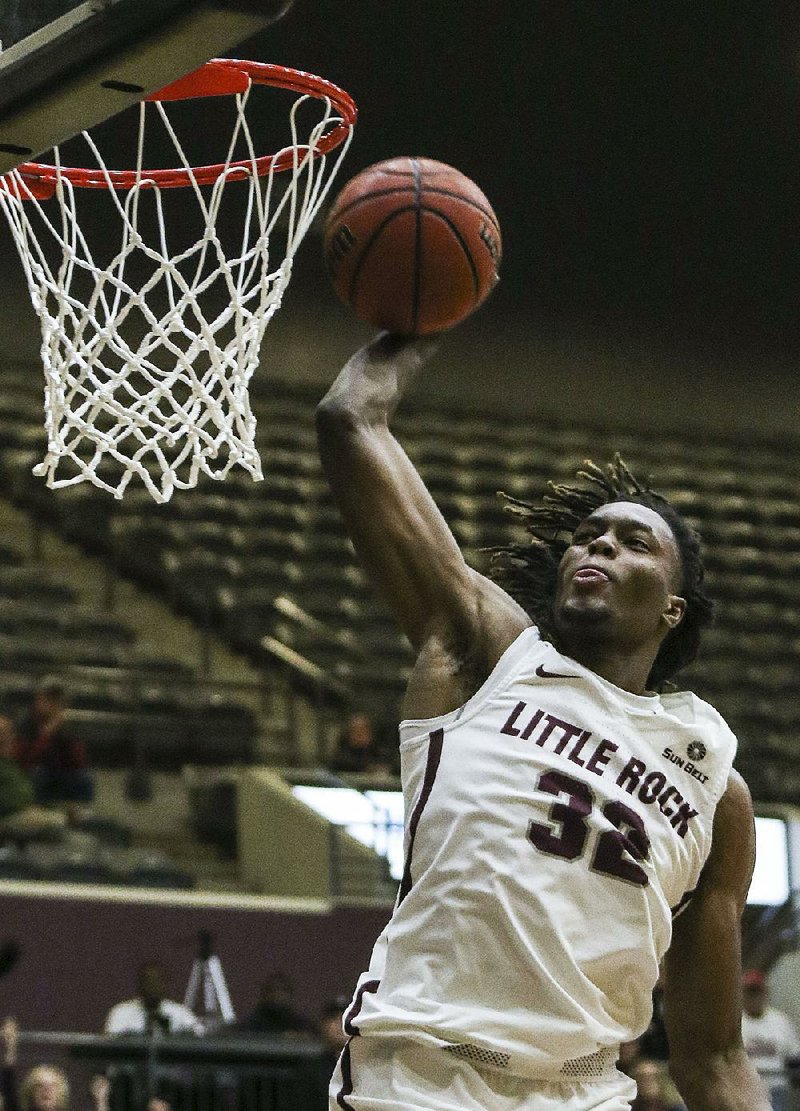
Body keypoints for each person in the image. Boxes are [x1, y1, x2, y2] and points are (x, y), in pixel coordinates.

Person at [315, 333, 769, 1110]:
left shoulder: (714, 790)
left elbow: (714, 1053)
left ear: (672, 606)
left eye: (634, 542)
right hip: (421, 1076)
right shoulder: (486, 654)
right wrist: (419, 327)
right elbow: (349, 423)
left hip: (583, 1092)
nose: (598, 542)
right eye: (590, 534)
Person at [14, 680, 94, 813]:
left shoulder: (65, 724)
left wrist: (69, 736)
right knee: (37, 774)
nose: (51, 705)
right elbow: (25, 760)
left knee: (84, 778)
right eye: (47, 699)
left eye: (56, 701)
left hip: (60, 772)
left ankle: (80, 816)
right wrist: (46, 734)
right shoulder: (26, 722)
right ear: (38, 700)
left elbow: (80, 762)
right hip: (33, 771)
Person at [740, 969, 800, 1111]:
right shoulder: (735, 1023)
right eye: (750, 992)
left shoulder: (780, 1021)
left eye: (757, 992)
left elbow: (794, 1057)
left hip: (776, 1088)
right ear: (742, 994)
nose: (754, 997)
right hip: (745, 1090)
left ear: (765, 993)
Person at [104, 960, 203, 1036]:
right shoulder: (121, 1013)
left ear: (165, 986)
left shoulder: (181, 1014)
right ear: (140, 986)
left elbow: (199, 1039)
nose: (153, 988)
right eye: (149, 982)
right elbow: (110, 1047)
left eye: (157, 983)